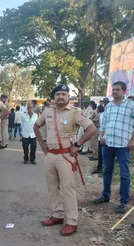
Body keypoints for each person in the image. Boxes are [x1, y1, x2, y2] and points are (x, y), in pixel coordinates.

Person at [34, 85, 97, 236]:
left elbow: (92, 129)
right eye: (58, 94)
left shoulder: (75, 112)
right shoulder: (47, 112)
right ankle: (57, 215)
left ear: (68, 96)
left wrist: (78, 145)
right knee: (52, 187)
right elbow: (36, 126)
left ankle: (71, 222)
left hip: (66, 157)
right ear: (54, 97)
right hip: (50, 155)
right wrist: (43, 145)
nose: (60, 96)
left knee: (68, 189)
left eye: (63, 94)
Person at [92, 81, 134, 214]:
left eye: (117, 90)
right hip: (108, 144)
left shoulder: (131, 106)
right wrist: (101, 136)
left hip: (123, 146)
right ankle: (105, 195)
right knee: (107, 171)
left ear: (124, 91)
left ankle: (124, 202)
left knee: (124, 174)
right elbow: (104, 123)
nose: (114, 92)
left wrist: (133, 139)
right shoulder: (109, 106)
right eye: (113, 90)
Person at [91, 104, 106, 174]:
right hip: (103, 136)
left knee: (101, 153)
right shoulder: (103, 115)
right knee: (102, 153)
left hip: (103, 137)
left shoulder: (101, 115)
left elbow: (101, 126)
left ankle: (100, 168)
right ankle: (101, 167)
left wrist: (101, 136)